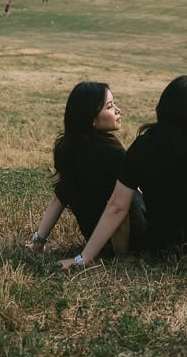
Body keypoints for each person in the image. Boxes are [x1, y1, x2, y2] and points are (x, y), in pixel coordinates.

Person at [61, 76, 187, 293]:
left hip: (161, 244)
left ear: (163, 109)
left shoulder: (142, 146)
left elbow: (116, 206)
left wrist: (83, 258)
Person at [31, 82, 145, 256]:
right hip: (130, 242)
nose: (117, 109)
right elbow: (118, 210)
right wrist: (120, 258)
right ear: (92, 118)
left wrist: (38, 242)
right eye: (109, 106)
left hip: (94, 242)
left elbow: (59, 198)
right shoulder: (114, 154)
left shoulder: (66, 149)